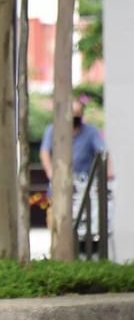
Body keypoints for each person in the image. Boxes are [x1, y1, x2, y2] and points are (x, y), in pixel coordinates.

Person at [39, 98, 112, 241]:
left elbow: (103, 152)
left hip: (83, 189)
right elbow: (45, 152)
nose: (74, 117)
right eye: (72, 112)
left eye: (78, 113)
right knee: (58, 225)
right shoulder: (52, 129)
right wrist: (50, 172)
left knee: (83, 228)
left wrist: (108, 172)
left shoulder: (90, 132)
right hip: (59, 187)